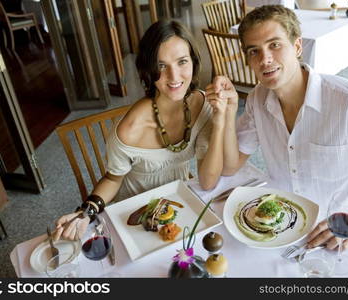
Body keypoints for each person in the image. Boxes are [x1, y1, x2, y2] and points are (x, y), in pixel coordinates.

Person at [206, 5, 348, 254]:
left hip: (342, 238)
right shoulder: (257, 99)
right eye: (254, 51)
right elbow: (231, 166)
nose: (265, 59)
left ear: (297, 47)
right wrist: (229, 111)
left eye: (275, 45)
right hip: (284, 229)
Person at [54, 20, 227, 240]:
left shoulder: (201, 106)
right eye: (161, 65)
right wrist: (85, 213)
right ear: (148, 69)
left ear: (193, 62)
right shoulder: (130, 129)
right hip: (134, 218)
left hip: (178, 205)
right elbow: (113, 179)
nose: (174, 77)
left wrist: (220, 121)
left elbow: (208, 181)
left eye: (182, 61)